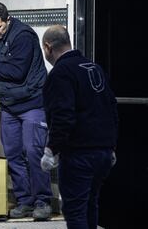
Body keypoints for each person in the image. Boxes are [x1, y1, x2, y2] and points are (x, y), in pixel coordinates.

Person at [0, 1, 53, 220]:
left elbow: (17, 71)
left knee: (33, 151)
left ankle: (43, 201)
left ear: (8, 20)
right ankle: (24, 201)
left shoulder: (23, 36)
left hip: (32, 103)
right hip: (9, 106)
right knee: (14, 154)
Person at [40, 25, 118, 229]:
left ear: (48, 47)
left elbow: (63, 116)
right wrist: (110, 146)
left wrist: (51, 149)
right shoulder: (94, 67)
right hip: (102, 153)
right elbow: (111, 108)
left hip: (78, 155)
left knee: (75, 212)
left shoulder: (60, 73)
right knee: (91, 205)